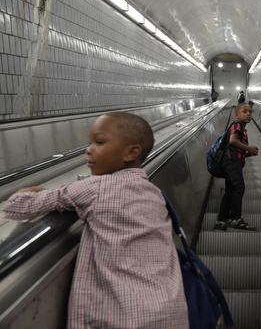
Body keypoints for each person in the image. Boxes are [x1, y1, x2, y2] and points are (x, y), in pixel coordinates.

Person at [1, 112, 189, 328]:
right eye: (89, 142)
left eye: (99, 142)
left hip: (123, 318)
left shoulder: (95, 188)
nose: (88, 149)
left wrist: (26, 192)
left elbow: (19, 206)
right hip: (169, 310)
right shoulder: (154, 193)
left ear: (131, 152)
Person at [214, 103, 259, 231]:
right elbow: (233, 141)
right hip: (231, 162)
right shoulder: (237, 124)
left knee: (230, 190)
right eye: (245, 111)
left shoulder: (243, 129)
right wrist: (249, 148)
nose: (249, 114)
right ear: (237, 114)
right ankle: (236, 219)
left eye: (250, 111)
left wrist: (248, 153)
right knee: (239, 187)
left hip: (233, 161)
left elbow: (236, 149)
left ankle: (222, 220)